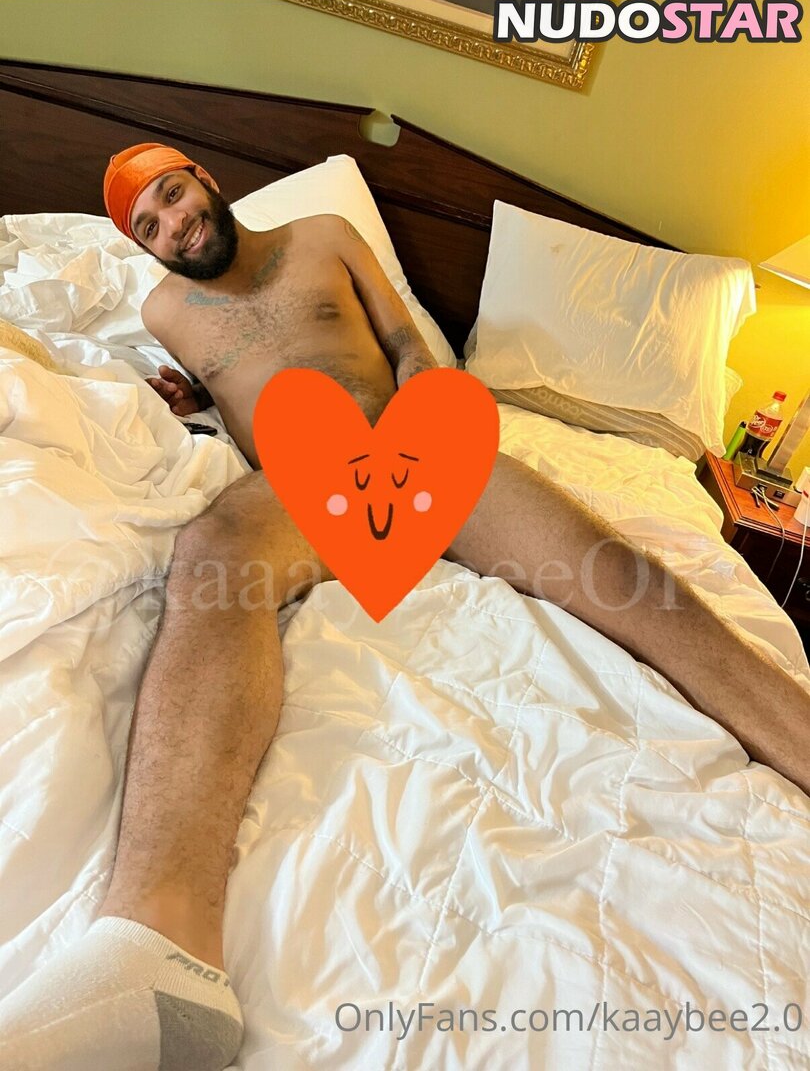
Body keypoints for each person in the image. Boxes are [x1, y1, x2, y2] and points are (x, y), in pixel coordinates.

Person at [1, 143, 808, 1071]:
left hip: (417, 457)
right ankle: (156, 946)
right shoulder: (161, 313)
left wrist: (429, 391)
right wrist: (186, 398)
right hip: (306, 490)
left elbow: (408, 345)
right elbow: (233, 394)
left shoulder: (322, 234)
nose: (174, 227)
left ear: (205, 181)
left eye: (174, 196)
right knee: (211, 553)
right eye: (149, 227)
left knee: (619, 574)